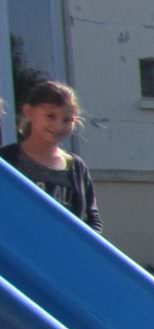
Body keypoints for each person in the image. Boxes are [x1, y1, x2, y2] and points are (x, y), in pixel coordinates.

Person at [3, 79, 102, 229]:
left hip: (62, 250)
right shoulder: (6, 160)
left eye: (67, 120)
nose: (58, 126)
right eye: (50, 116)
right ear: (29, 112)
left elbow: (93, 220)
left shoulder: (76, 167)